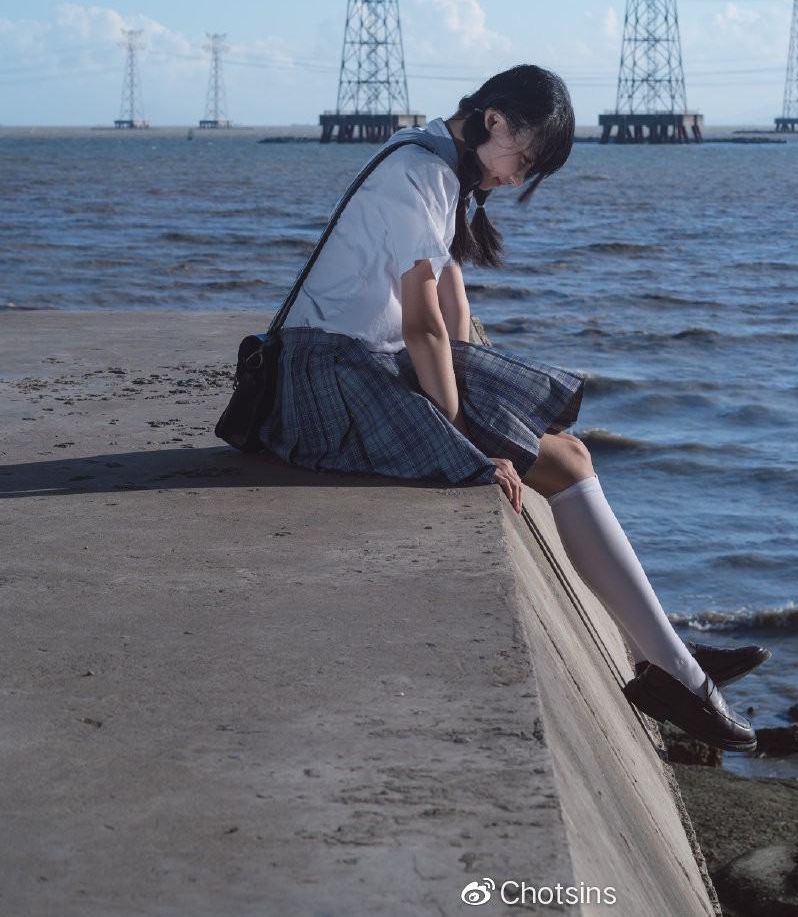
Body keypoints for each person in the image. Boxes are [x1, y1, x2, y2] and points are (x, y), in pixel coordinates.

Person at [260, 63, 765, 749]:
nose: (517, 178)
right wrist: (466, 440)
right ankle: (675, 671)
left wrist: (483, 388)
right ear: (493, 120)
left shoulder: (439, 163)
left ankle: (665, 655)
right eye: (523, 160)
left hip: (361, 364)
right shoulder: (418, 173)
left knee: (562, 445)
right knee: (567, 461)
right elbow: (424, 327)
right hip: (326, 383)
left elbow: (453, 303)